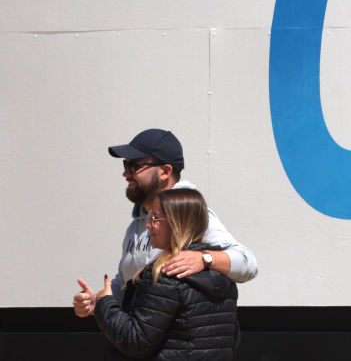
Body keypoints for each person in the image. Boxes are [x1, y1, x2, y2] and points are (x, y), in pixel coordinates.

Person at [74, 129, 258, 316]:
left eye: (134, 166)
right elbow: (125, 283)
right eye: (125, 164)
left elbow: (247, 262)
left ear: (165, 171)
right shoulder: (136, 224)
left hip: (174, 343)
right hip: (135, 338)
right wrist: (97, 301)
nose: (125, 173)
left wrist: (204, 258)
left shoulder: (189, 214)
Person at [86, 188, 239, 359]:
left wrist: (105, 302)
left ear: (176, 222)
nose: (149, 225)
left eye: (156, 218)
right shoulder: (222, 272)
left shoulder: (165, 274)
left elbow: (136, 341)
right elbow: (232, 338)